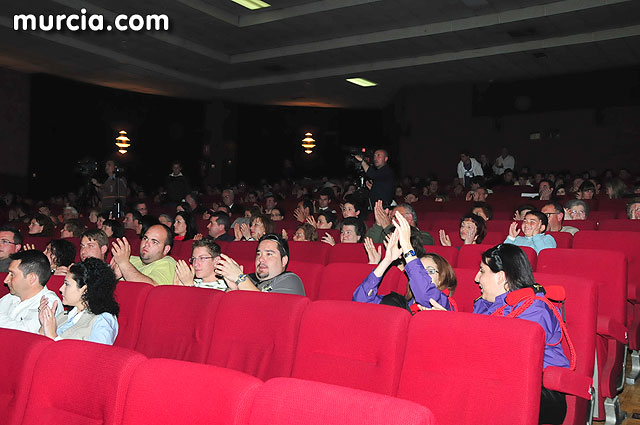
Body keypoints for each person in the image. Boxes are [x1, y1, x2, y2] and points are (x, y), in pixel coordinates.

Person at [469, 244, 569, 424]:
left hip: (542, 391)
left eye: (482, 271)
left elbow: (507, 356)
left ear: (500, 277)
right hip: (502, 383)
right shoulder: (484, 304)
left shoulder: (535, 308)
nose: (477, 279)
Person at [354, 211, 455, 313]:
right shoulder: (400, 302)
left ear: (442, 279)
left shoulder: (445, 303)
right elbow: (360, 301)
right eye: (420, 271)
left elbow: (425, 295)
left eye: (430, 271)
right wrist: (387, 260)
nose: (423, 275)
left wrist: (406, 246)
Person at [37, 258, 119, 345]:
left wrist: (53, 337)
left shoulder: (103, 320)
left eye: (67, 284)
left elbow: (96, 356)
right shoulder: (63, 316)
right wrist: (43, 326)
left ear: (85, 290)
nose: (61, 289)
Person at [215, 233, 305, 295]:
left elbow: (263, 306)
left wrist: (239, 279)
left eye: (269, 254)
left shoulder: (291, 280)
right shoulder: (249, 278)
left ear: (284, 261)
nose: (261, 259)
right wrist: (233, 290)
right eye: (258, 254)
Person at [0, 250, 63, 333]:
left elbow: (27, 333)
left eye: (12, 275)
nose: (6, 280)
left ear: (32, 279)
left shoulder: (48, 302)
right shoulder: (10, 297)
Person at [110, 224, 176, 286]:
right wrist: (112, 276)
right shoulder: (130, 259)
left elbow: (153, 288)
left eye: (154, 242)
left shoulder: (168, 263)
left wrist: (124, 264)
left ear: (166, 250)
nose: (146, 244)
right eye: (145, 238)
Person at [365, 201, 434, 245]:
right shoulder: (386, 234)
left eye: (395, 217)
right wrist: (378, 224)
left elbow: (410, 247)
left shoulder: (425, 236)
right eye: (391, 218)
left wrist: (387, 226)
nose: (392, 221)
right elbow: (369, 245)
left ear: (409, 218)